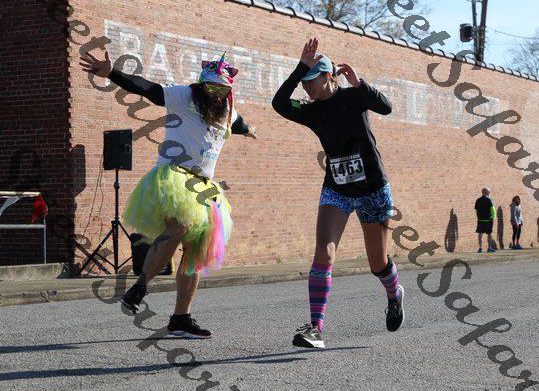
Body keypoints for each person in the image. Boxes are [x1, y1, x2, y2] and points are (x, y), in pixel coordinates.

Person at [79, 50, 257, 338]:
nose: (215, 95)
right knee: (180, 227)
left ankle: (180, 318)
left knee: (196, 251)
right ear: (201, 85)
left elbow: (238, 123)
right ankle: (140, 287)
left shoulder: (227, 110)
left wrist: (248, 129)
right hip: (175, 176)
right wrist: (112, 73)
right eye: (210, 88)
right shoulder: (184, 96)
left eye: (222, 90)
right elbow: (148, 89)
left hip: (203, 186)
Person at [272, 38, 403, 349]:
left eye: (311, 80)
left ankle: (394, 293)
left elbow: (386, 107)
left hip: (372, 189)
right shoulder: (311, 111)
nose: (306, 87)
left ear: (329, 76)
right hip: (337, 189)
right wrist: (300, 68)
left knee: (377, 263)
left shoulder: (354, 97)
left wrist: (361, 85)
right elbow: (279, 103)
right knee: (324, 252)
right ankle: (316, 328)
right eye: (303, 82)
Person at [475, 188, 496, 253]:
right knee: (489, 233)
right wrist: (493, 217)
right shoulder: (489, 200)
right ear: (487, 193)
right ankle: (489, 248)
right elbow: (492, 209)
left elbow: (476, 210)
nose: (489, 193)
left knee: (480, 233)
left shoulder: (478, 200)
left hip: (480, 219)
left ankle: (480, 248)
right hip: (488, 219)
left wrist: (478, 217)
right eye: (489, 192)